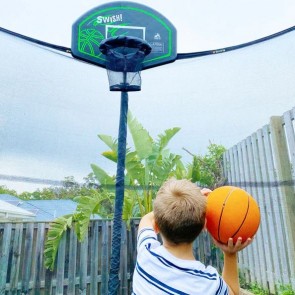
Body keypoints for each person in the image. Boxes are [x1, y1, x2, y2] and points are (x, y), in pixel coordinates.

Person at [132, 178, 253, 295]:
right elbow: (232, 292)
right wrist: (230, 254)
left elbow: (146, 219)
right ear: (204, 226)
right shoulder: (209, 284)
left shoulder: (146, 254)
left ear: (156, 226)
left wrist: (179, 203)